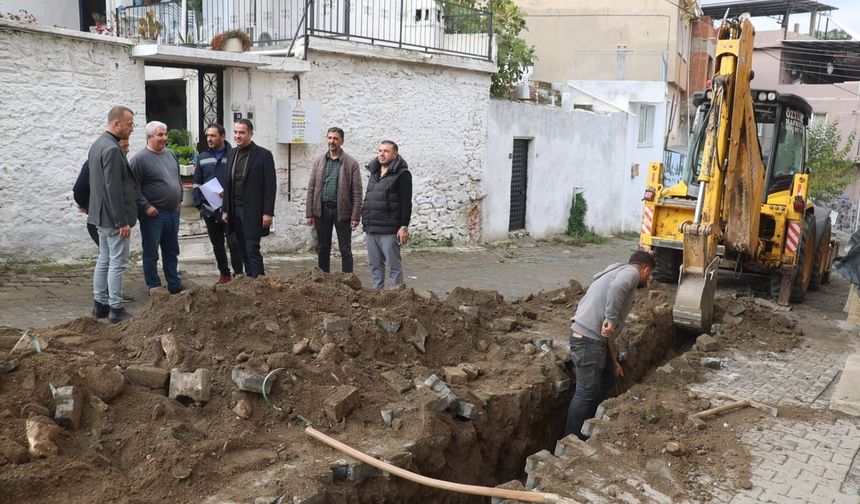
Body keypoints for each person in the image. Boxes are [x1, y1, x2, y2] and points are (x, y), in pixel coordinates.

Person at [564, 250, 654, 439]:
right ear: (645, 270)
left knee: (608, 379)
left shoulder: (615, 271)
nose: (648, 278)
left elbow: (607, 336)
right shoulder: (631, 273)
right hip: (587, 340)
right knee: (585, 392)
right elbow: (618, 288)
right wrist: (612, 319)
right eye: (650, 274)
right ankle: (571, 438)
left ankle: (589, 422)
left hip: (592, 340)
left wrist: (614, 363)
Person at [88, 106, 138, 324]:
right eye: (129, 124)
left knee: (104, 259)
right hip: (113, 219)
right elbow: (112, 188)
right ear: (116, 124)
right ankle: (116, 309)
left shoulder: (97, 144)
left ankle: (100, 304)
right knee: (117, 262)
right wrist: (122, 221)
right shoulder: (111, 149)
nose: (132, 128)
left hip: (100, 215)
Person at [131, 121, 183, 294]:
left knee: (171, 250)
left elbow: (177, 178)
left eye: (165, 134)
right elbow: (133, 187)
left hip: (172, 213)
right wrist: (146, 207)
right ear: (149, 137)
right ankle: (154, 285)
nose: (165, 138)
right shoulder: (140, 159)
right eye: (160, 135)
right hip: (154, 215)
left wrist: (179, 199)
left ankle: (174, 283)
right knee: (152, 252)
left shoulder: (170, 155)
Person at [222, 119, 276, 278]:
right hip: (234, 209)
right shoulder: (232, 153)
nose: (237, 136)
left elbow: (270, 186)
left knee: (252, 246)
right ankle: (249, 280)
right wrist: (225, 209)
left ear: (251, 134)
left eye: (242, 132)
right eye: (236, 132)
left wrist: (268, 212)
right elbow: (228, 183)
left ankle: (260, 282)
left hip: (253, 210)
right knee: (240, 246)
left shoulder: (263, 155)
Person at [305, 127, 363, 273]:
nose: (332, 141)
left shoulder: (351, 163)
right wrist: (309, 213)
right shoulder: (319, 161)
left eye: (335, 138)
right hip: (322, 210)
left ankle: (347, 280)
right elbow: (311, 187)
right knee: (323, 248)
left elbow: (357, 192)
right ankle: (323, 279)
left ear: (342, 141)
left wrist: (355, 216)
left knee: (345, 249)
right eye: (329, 138)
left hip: (342, 211)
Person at [193, 123, 242, 283]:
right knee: (217, 245)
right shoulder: (202, 157)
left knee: (234, 243)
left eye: (213, 135)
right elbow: (197, 182)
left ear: (223, 136)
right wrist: (199, 204)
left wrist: (229, 193)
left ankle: (239, 275)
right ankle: (224, 274)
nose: (209, 139)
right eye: (207, 135)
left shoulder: (234, 154)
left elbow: (240, 180)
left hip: (230, 209)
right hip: (210, 210)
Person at [361, 140, 412, 289]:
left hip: (390, 230)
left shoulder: (402, 174)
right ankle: (378, 296)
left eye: (386, 151)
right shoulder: (374, 172)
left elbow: (405, 202)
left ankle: (397, 297)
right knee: (375, 266)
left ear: (395, 154)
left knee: (394, 267)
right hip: (372, 228)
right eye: (380, 151)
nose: (382, 154)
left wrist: (404, 226)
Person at [74, 139, 130, 247]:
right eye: (124, 147)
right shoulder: (94, 163)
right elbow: (79, 188)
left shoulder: (121, 163)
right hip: (101, 218)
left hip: (111, 218)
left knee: (107, 256)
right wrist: (87, 205)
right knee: (110, 257)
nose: (127, 150)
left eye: (128, 146)